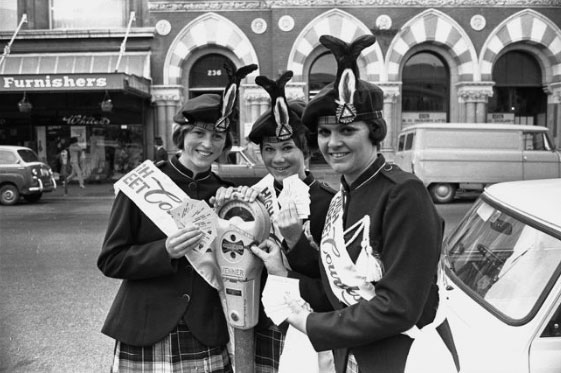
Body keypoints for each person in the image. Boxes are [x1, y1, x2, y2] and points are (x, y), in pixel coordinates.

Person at [253, 35, 460, 373]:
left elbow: (398, 306)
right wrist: (288, 252)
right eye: (324, 133)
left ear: (374, 131)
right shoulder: (344, 193)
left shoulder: (403, 193)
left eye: (347, 130)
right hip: (355, 354)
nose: (333, 143)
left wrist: (313, 325)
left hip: (404, 358)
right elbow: (338, 285)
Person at [97, 64, 257, 373]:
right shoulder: (143, 183)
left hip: (203, 329)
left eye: (218, 135)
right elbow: (111, 260)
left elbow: (237, 264)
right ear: (181, 135)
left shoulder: (225, 195)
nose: (207, 144)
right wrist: (164, 251)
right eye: (199, 133)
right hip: (145, 327)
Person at [215, 71, 335, 373]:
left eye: (287, 148)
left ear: (305, 150)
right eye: (269, 149)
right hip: (261, 321)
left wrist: (295, 242)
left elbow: (332, 281)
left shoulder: (328, 202)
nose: (278, 158)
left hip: (308, 323)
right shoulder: (252, 197)